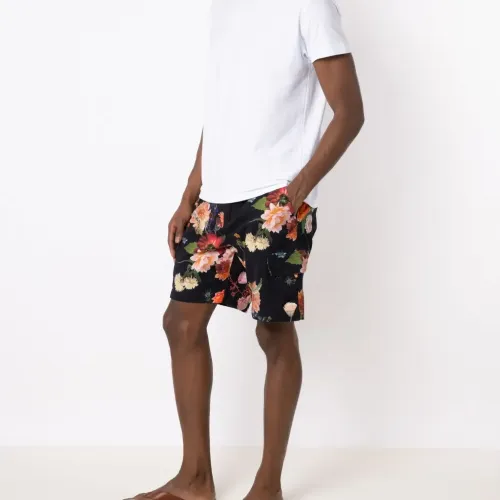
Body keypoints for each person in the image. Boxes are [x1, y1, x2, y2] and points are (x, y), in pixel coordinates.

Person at [126, 0, 363, 498]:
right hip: (214, 200)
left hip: (274, 201)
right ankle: (195, 480)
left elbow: (350, 112)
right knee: (180, 323)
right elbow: (222, 112)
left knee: (273, 332)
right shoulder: (225, 8)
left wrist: (298, 189)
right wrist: (191, 191)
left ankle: (268, 485)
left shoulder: (309, 5)